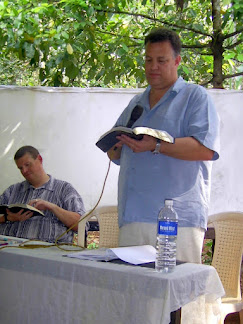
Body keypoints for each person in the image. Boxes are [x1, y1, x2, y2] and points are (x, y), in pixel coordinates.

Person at [107, 28, 220, 263]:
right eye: (148, 60)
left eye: (161, 60)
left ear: (177, 61)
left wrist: (156, 145)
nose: (153, 67)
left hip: (177, 218)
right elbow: (115, 154)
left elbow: (205, 149)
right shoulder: (135, 103)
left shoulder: (195, 97)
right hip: (133, 215)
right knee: (135, 292)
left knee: (177, 294)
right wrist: (115, 145)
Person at [0, 145, 85, 243]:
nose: (24, 171)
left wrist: (53, 208)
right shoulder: (12, 191)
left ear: (39, 159)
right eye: (20, 168)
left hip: (49, 252)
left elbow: (81, 225)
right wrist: (6, 218)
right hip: (10, 250)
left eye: (28, 165)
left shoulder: (64, 189)